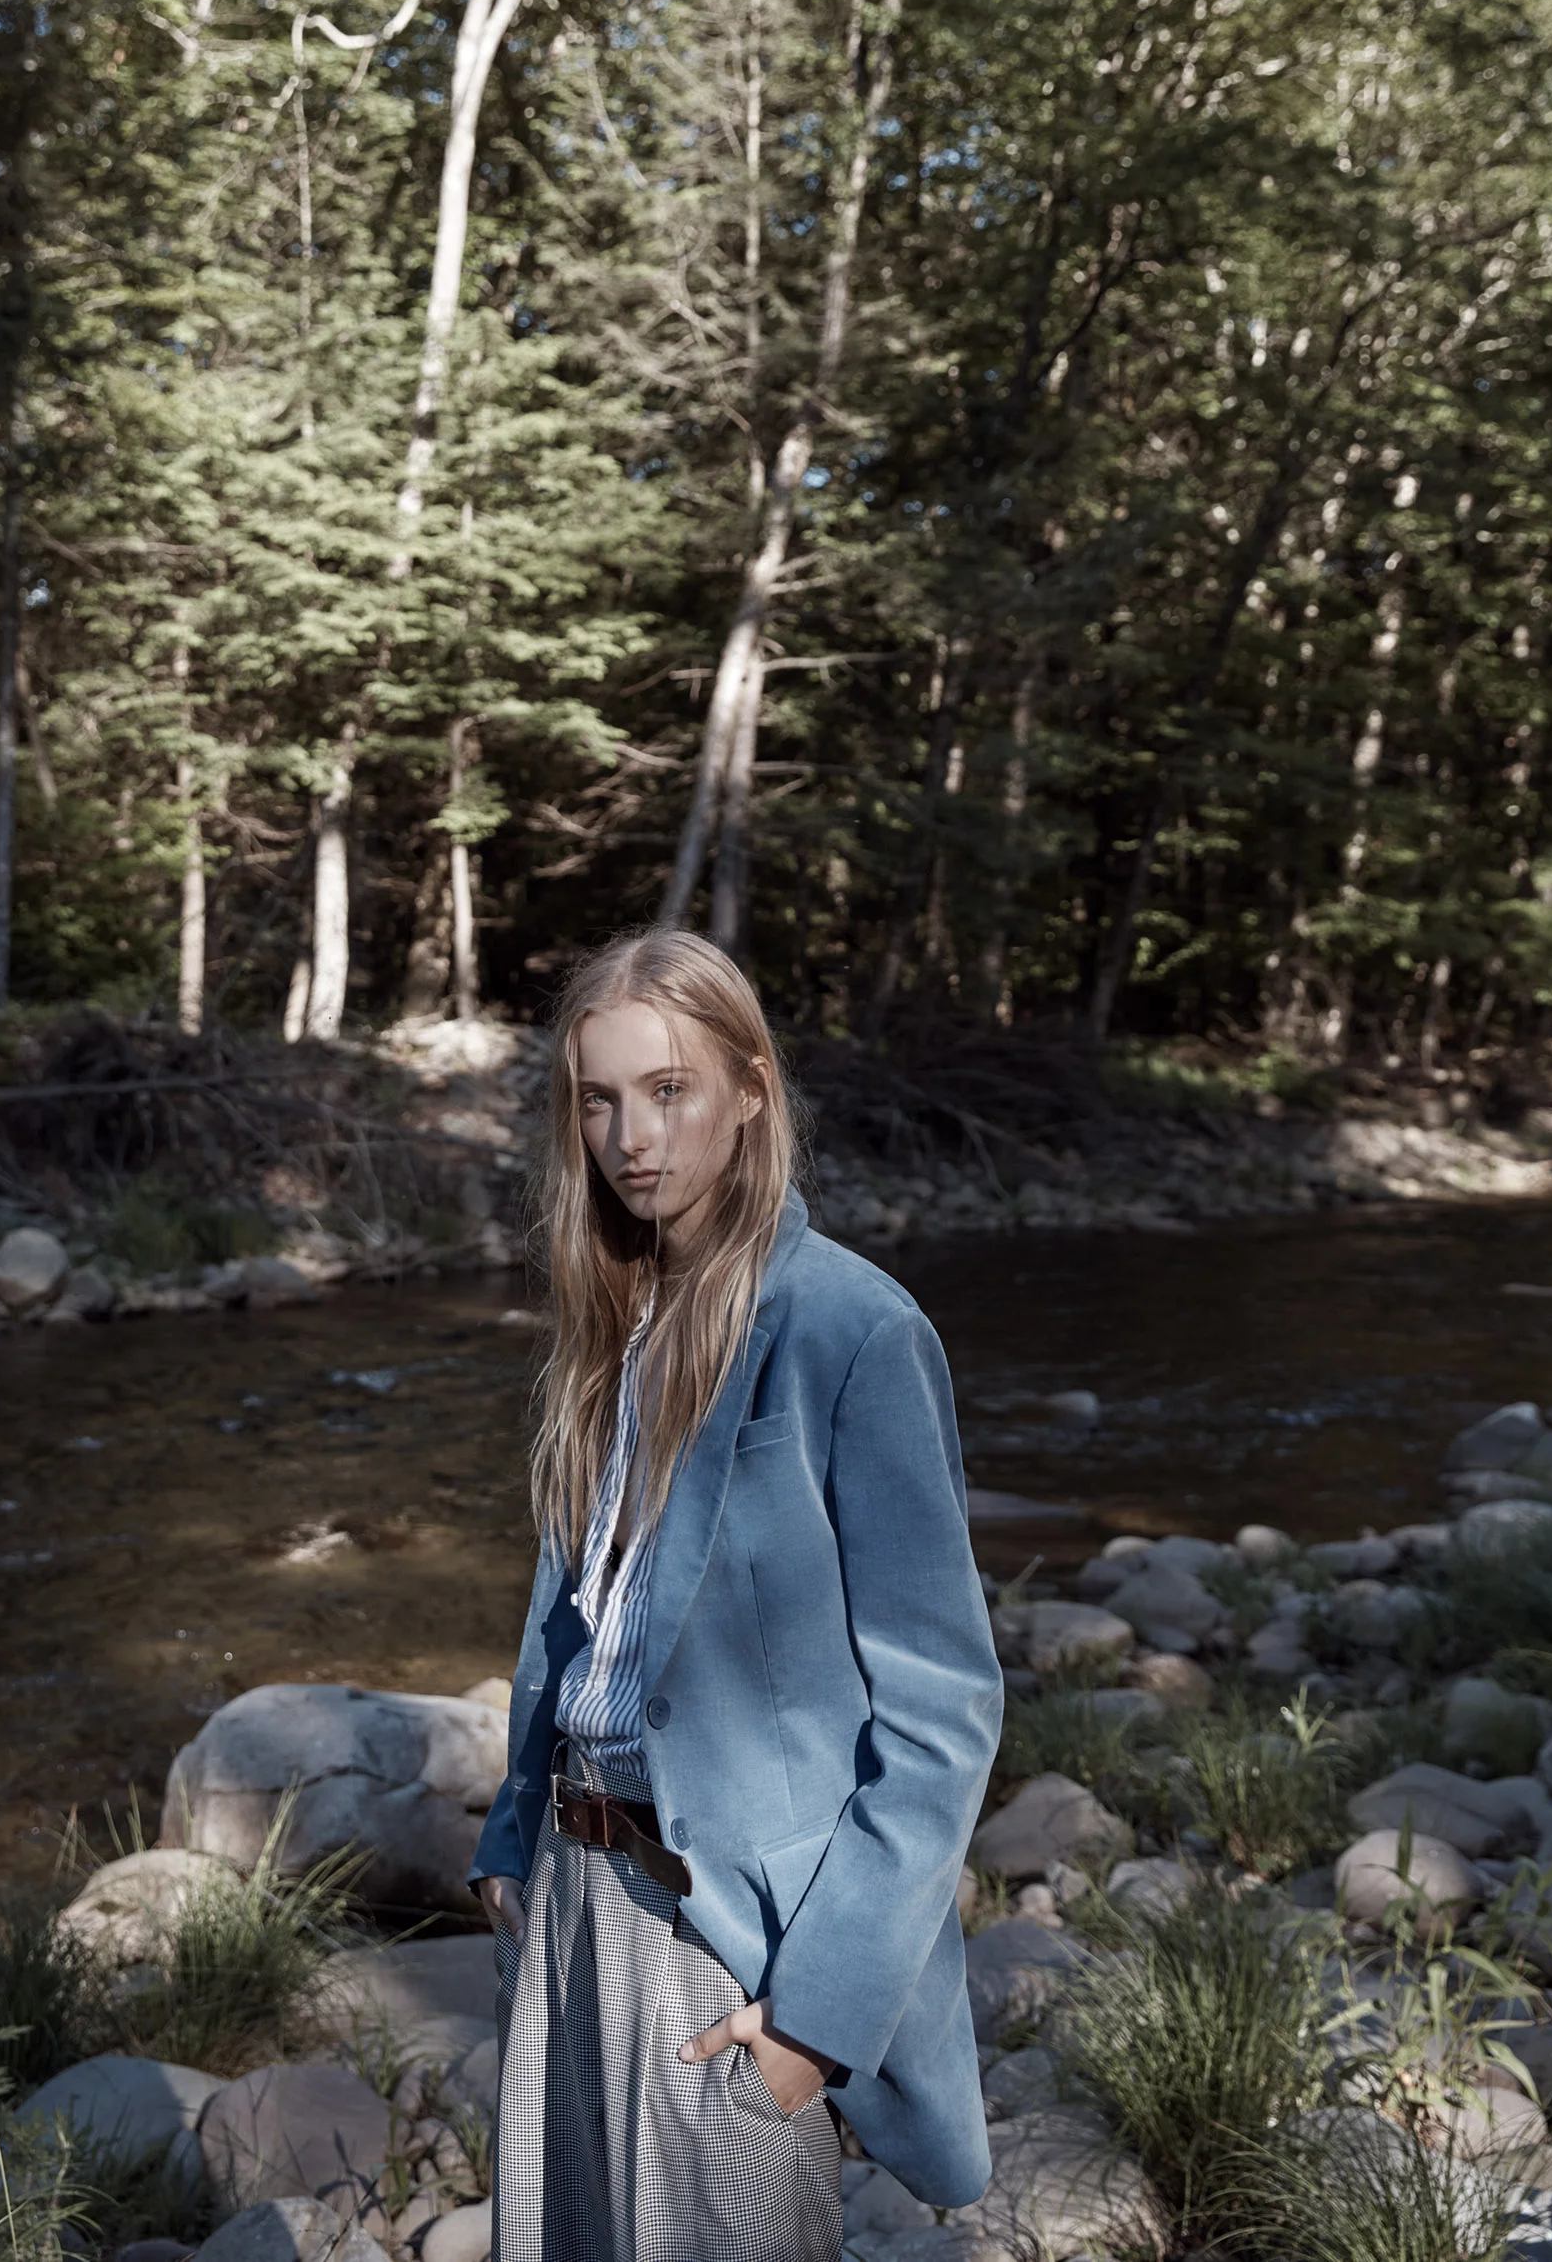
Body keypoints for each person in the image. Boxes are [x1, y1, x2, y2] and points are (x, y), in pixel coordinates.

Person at [469, 929, 1003, 2262]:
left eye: (670, 1090)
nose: (631, 1137)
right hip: (571, 1897)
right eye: (599, 1099)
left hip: (726, 1933)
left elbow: (944, 1713)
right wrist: (513, 1833)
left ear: (752, 1090)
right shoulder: (613, 1317)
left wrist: (816, 2021)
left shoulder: (851, 1328)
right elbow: (576, 1614)